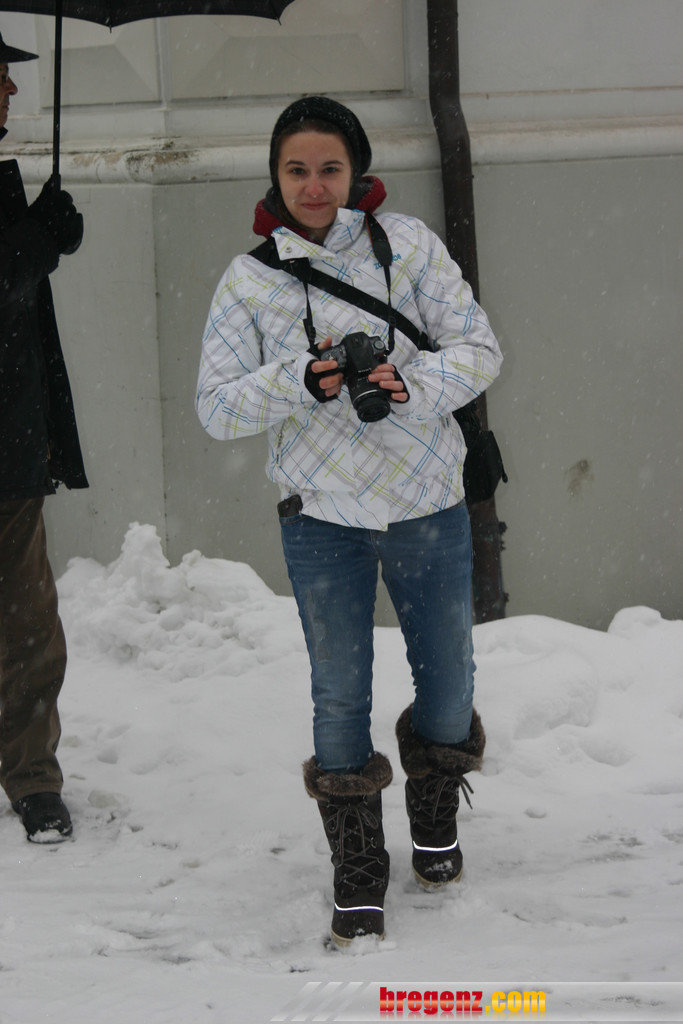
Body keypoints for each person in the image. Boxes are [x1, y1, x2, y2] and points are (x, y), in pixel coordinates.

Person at [196, 96, 502, 946]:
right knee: (338, 694)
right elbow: (216, 408)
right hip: (321, 516)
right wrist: (299, 378)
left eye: (329, 168)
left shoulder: (408, 245)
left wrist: (413, 384)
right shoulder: (251, 279)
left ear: (355, 170)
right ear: (275, 174)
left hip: (425, 501)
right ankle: (358, 864)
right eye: (296, 169)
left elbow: (478, 349)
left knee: (449, 683)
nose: (313, 185)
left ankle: (434, 821)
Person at [1, 31, 87, 842]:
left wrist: (38, 233)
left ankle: (32, 776)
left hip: (10, 444)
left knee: (26, 618)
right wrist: (36, 240)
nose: (10, 91)